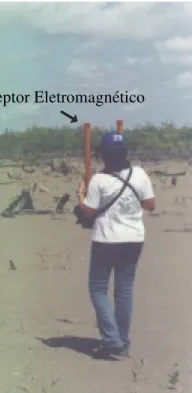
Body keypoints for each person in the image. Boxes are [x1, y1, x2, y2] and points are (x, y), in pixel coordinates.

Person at [77, 131, 156, 359]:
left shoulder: (99, 181)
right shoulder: (139, 174)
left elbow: (89, 212)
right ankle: (122, 341)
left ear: (103, 155)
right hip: (134, 239)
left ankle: (112, 340)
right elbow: (149, 204)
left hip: (106, 240)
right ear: (125, 153)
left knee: (98, 288)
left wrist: (80, 196)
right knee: (124, 291)